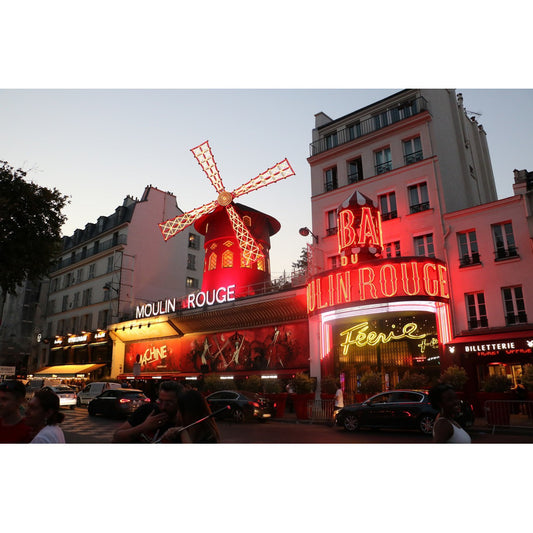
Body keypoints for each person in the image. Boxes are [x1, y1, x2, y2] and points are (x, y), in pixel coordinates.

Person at [112, 380, 184, 443]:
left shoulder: (183, 423)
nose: (163, 407)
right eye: (160, 401)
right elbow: (117, 437)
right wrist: (144, 426)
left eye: (168, 404)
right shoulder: (147, 410)